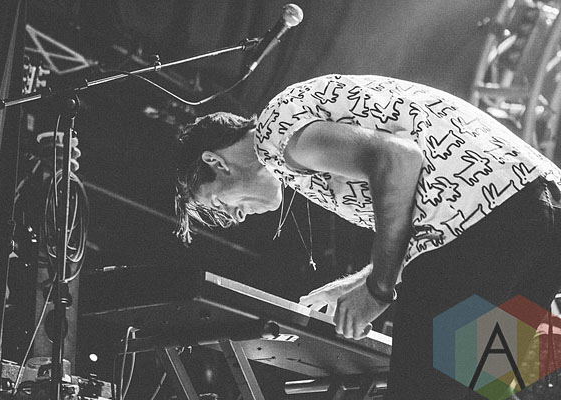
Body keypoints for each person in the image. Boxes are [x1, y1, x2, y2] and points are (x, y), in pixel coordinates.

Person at [174, 74, 561, 399]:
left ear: (215, 161)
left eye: (218, 203)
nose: (237, 216)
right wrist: (358, 282)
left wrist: (377, 290)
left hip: (481, 227)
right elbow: (416, 202)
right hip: (541, 216)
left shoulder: (276, 137)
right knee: (481, 387)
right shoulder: (296, 128)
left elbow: (399, 159)